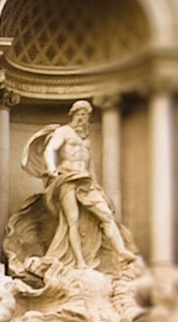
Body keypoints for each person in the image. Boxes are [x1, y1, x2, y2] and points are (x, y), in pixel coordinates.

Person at [22, 100, 136, 270]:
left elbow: (89, 165)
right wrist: (51, 167)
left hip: (86, 180)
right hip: (66, 178)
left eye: (86, 115)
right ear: (73, 114)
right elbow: (50, 149)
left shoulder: (86, 139)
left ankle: (121, 252)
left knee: (106, 215)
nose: (82, 118)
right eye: (80, 114)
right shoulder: (63, 131)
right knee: (72, 220)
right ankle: (79, 262)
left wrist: (97, 186)